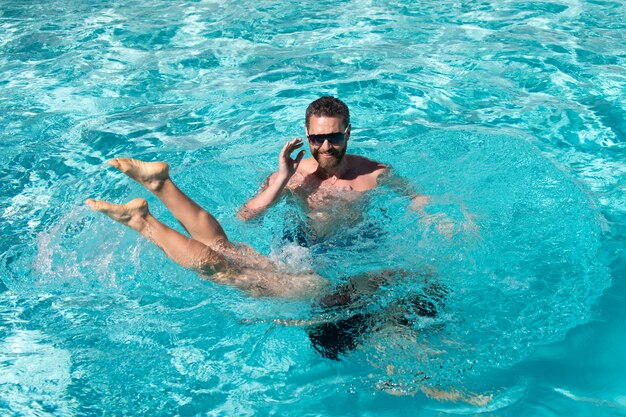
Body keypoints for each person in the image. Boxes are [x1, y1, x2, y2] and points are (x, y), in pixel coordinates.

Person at [86, 157, 445, 358]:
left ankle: (161, 183)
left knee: (224, 251)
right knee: (221, 268)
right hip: (312, 284)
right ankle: (144, 220)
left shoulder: (393, 278)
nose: (324, 147)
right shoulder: (374, 297)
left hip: (304, 270)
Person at [237, 96, 428, 230]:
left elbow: (414, 195)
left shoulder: (374, 174)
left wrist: (431, 218)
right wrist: (282, 179)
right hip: (303, 249)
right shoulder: (292, 176)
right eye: (317, 138)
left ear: (348, 133)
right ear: (307, 134)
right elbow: (246, 218)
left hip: (360, 246)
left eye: (335, 137)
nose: (326, 147)